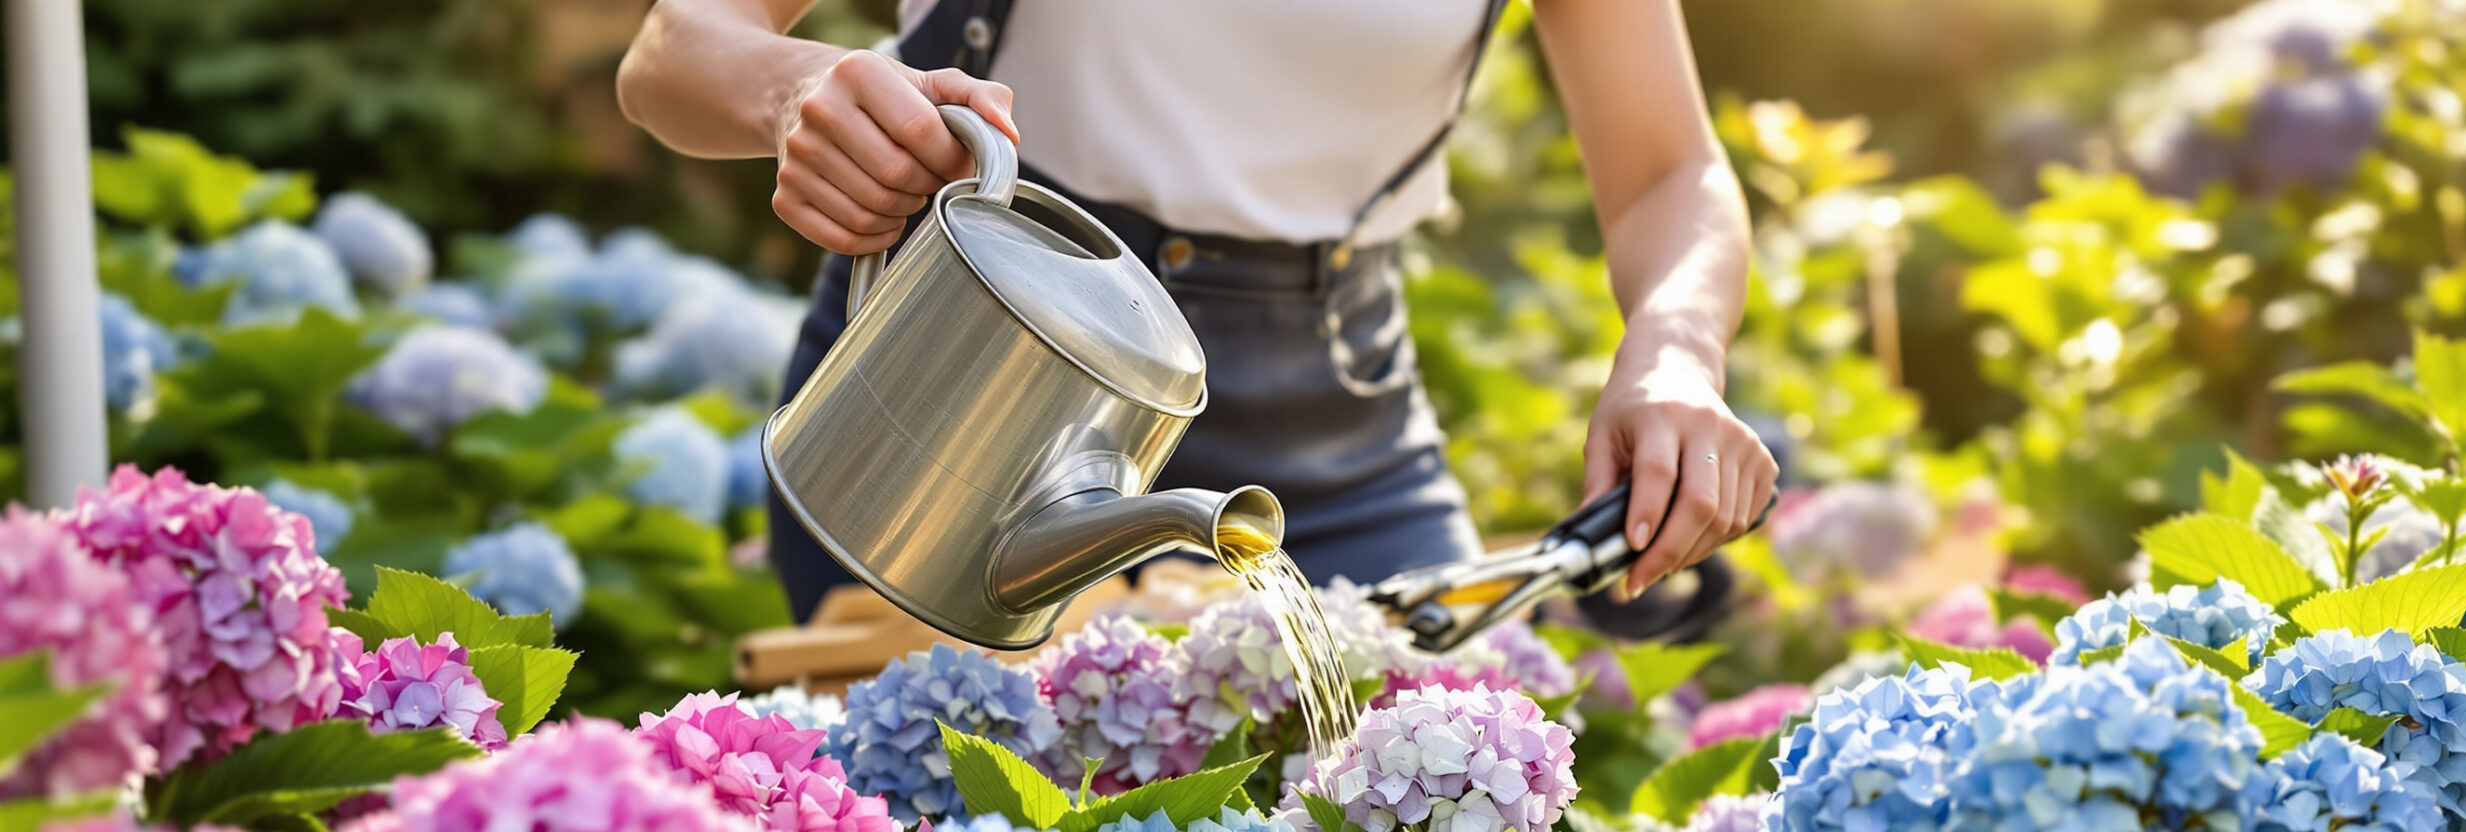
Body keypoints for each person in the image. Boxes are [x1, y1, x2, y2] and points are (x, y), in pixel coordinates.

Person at [619, 0, 1777, 623]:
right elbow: (675, 45)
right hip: (975, 378)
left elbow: (1668, 170)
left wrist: (1674, 355)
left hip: (1329, 419)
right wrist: (793, 93)